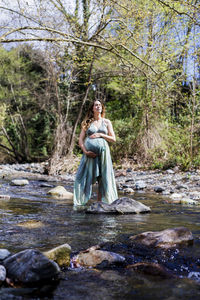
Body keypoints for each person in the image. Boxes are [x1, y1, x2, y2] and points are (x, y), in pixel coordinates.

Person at [73, 100, 118, 206]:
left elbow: (113, 139)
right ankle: (80, 202)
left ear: (102, 108)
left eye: (100, 105)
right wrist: (85, 152)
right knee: (81, 176)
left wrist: (100, 135)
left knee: (103, 177)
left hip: (104, 154)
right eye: (96, 105)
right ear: (92, 108)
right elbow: (80, 140)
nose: (98, 107)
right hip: (89, 155)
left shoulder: (107, 122)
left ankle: (100, 203)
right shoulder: (87, 122)